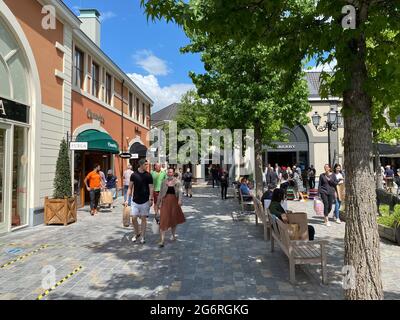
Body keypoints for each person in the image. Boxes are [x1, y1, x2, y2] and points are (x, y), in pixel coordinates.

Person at [125, 159, 154, 244]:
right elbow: (130, 188)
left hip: (145, 200)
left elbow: (151, 187)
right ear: (141, 165)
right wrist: (127, 199)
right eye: (146, 164)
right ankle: (137, 232)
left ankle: (142, 237)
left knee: (143, 219)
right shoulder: (134, 175)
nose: (147, 166)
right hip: (135, 200)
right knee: (133, 218)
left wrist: (151, 198)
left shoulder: (148, 175)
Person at [155, 168, 185, 248]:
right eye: (168, 172)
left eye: (171, 172)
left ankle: (173, 234)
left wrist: (180, 200)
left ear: (173, 173)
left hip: (174, 203)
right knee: (163, 219)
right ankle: (162, 240)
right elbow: (161, 193)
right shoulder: (164, 182)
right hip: (165, 202)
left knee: (173, 219)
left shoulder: (177, 182)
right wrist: (157, 204)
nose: (169, 173)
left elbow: (180, 192)